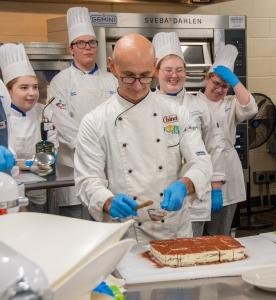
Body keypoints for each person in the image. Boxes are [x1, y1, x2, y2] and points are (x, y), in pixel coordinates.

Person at [74, 33, 213, 244]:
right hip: (125, 234)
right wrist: (107, 201)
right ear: (112, 67)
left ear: (155, 68)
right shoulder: (95, 121)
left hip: (174, 230)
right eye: (128, 76)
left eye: (146, 76)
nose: (138, 85)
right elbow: (87, 180)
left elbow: (201, 162)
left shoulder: (176, 113)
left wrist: (184, 185)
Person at [152, 32, 225, 236]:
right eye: (167, 70)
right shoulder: (147, 106)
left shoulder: (200, 105)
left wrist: (216, 184)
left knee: (193, 252)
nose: (174, 75)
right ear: (156, 71)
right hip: (161, 194)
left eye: (179, 70)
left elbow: (214, 145)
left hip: (196, 193)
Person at [49, 7, 117, 219]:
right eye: (81, 43)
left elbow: (119, 120)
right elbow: (63, 125)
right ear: (71, 49)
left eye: (92, 42)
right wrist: (92, 151)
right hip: (74, 169)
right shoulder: (60, 81)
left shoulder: (112, 80)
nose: (87, 47)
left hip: (110, 166)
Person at [199, 44, 258, 235]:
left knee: (221, 233)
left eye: (225, 86)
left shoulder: (231, 103)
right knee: (196, 234)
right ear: (206, 79)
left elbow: (251, 109)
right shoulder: (192, 102)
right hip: (201, 170)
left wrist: (234, 81)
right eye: (216, 83)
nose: (219, 89)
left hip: (227, 170)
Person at [0, 43, 57, 212]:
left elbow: (50, 157)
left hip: (41, 191)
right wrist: (33, 162)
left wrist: (26, 163)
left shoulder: (45, 112)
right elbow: (9, 162)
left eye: (34, 87)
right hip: (10, 192)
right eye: (24, 88)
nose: (32, 93)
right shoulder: (4, 118)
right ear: (9, 91)